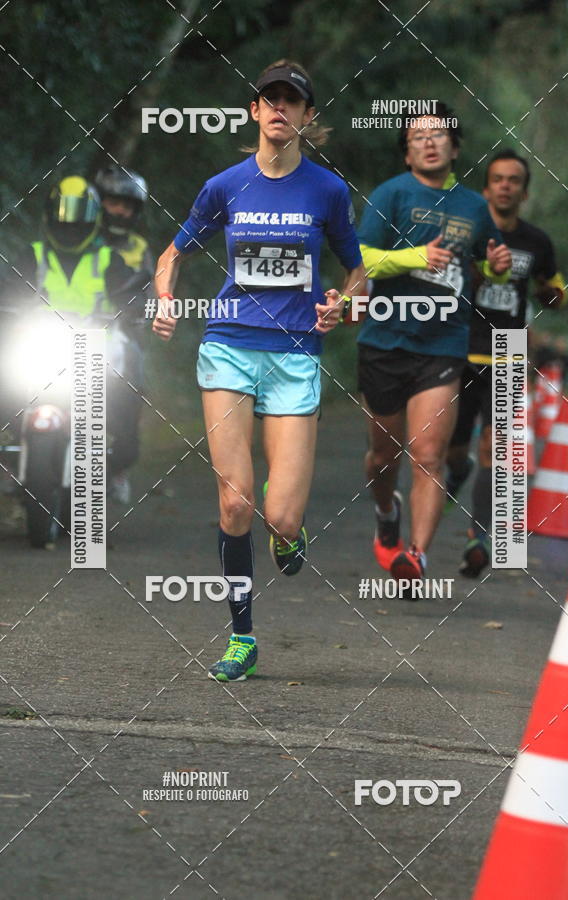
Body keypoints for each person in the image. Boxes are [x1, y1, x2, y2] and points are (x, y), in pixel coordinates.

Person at [152, 60, 366, 682]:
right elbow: (173, 251)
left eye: (291, 100)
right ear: (254, 111)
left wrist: (343, 303)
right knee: (235, 500)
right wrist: (166, 298)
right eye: (269, 98)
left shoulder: (327, 191)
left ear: (305, 116)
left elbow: (357, 271)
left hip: (296, 355)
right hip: (229, 346)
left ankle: (289, 537)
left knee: (284, 517)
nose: (279, 107)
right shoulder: (225, 185)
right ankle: (242, 635)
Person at [355, 105, 511, 596]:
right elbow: (361, 260)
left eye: (439, 135)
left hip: (443, 345)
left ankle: (416, 554)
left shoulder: (474, 207)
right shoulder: (390, 194)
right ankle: (387, 512)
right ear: (407, 151)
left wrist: (499, 267)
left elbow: (484, 270)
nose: (429, 142)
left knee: (428, 454)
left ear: (455, 147)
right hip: (384, 341)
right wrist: (415, 256)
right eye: (418, 136)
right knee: (383, 458)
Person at [446, 148, 567, 576]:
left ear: (524, 191)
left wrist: (550, 296)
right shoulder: (466, 234)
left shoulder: (536, 241)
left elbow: (552, 287)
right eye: (498, 178)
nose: (505, 186)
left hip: (510, 351)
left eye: (513, 180)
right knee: (455, 451)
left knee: (494, 449)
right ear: (486, 189)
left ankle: (478, 538)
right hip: (460, 348)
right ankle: (454, 475)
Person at [0, 175, 147, 502]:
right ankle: (11, 455)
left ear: (93, 220)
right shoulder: (33, 255)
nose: (69, 223)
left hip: (96, 350)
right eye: (62, 215)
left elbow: (134, 290)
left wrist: (136, 305)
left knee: (127, 382)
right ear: (50, 216)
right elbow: (9, 287)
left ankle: (116, 458)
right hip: (41, 344)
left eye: (77, 217)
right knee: (6, 374)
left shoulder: (108, 259)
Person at [95, 165, 154, 503]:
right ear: (101, 202)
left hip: (118, 333)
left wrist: (142, 311)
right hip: (68, 328)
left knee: (132, 377)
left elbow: (149, 290)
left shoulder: (139, 248)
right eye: (114, 202)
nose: (119, 210)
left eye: (127, 205)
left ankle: (120, 459)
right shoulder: (81, 237)